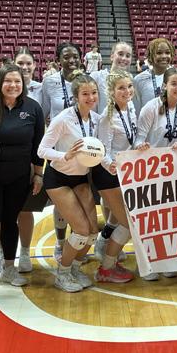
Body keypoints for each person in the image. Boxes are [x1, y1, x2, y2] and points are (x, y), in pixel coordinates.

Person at [37, 72, 101, 292]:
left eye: (94, 93)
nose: (90, 98)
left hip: (81, 178)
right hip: (58, 178)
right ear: (76, 96)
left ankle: (74, 268)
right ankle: (62, 273)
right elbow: (42, 150)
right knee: (81, 230)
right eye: (85, 94)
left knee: (92, 231)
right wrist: (64, 155)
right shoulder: (63, 119)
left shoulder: (96, 119)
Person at [0, 65, 45, 287]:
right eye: (8, 81)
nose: (13, 85)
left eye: (17, 81)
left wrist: (38, 175)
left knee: (10, 220)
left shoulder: (33, 108)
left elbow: (38, 145)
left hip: (19, 177)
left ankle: (9, 268)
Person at [135, 67, 177, 281]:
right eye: (174, 83)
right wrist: (142, 147)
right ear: (164, 85)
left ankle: (167, 260)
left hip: (172, 171)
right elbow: (138, 140)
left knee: (169, 219)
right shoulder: (150, 108)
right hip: (149, 171)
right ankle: (148, 263)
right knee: (150, 220)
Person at [91, 69, 137, 283]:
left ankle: (107, 255)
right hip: (108, 175)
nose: (127, 91)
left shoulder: (130, 108)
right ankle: (105, 269)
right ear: (111, 91)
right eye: (121, 88)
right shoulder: (107, 118)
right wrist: (112, 166)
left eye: (129, 86)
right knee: (128, 223)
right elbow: (103, 152)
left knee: (124, 220)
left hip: (124, 172)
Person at [41, 42, 83, 262]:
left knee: (80, 200)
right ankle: (60, 243)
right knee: (61, 201)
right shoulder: (49, 82)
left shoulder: (85, 80)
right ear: (58, 61)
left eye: (75, 56)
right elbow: (44, 113)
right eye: (66, 57)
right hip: (60, 152)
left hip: (83, 152)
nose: (71, 60)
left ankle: (77, 243)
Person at [14, 47, 45, 273]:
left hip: (32, 155)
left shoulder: (42, 89)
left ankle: (25, 252)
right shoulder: (2, 89)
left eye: (28, 63)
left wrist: (38, 170)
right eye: (20, 63)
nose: (25, 67)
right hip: (8, 157)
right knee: (4, 212)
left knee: (25, 209)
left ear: (35, 65)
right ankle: (6, 255)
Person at [133, 38, 175, 117]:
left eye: (167, 52)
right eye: (159, 53)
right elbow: (137, 109)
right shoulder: (139, 79)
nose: (164, 56)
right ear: (150, 56)